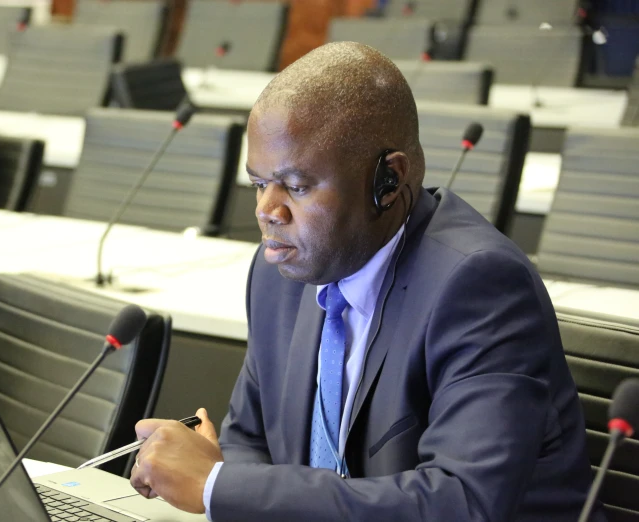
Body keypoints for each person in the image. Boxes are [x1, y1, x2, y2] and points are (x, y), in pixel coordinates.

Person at [129, 42, 603, 522]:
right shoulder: (280, 273)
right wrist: (228, 482)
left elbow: (462, 503)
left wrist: (217, 485)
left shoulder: (480, 286)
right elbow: (250, 440)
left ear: (388, 181)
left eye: (296, 186)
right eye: (258, 183)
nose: (266, 211)